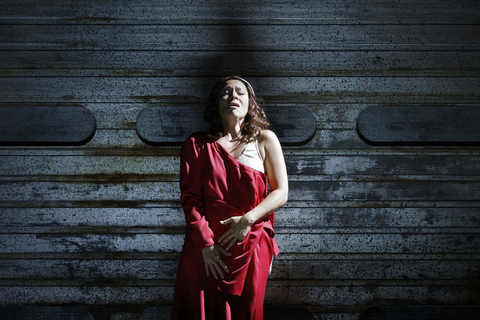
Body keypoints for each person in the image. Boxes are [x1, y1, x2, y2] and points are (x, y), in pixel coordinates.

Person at [171, 76, 289, 320]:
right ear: (216, 103)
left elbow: (281, 192)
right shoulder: (197, 144)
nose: (233, 96)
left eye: (240, 92)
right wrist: (205, 244)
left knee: (247, 311)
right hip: (206, 248)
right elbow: (190, 198)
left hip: (251, 243)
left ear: (250, 104)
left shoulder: (265, 140)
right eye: (226, 92)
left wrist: (248, 219)